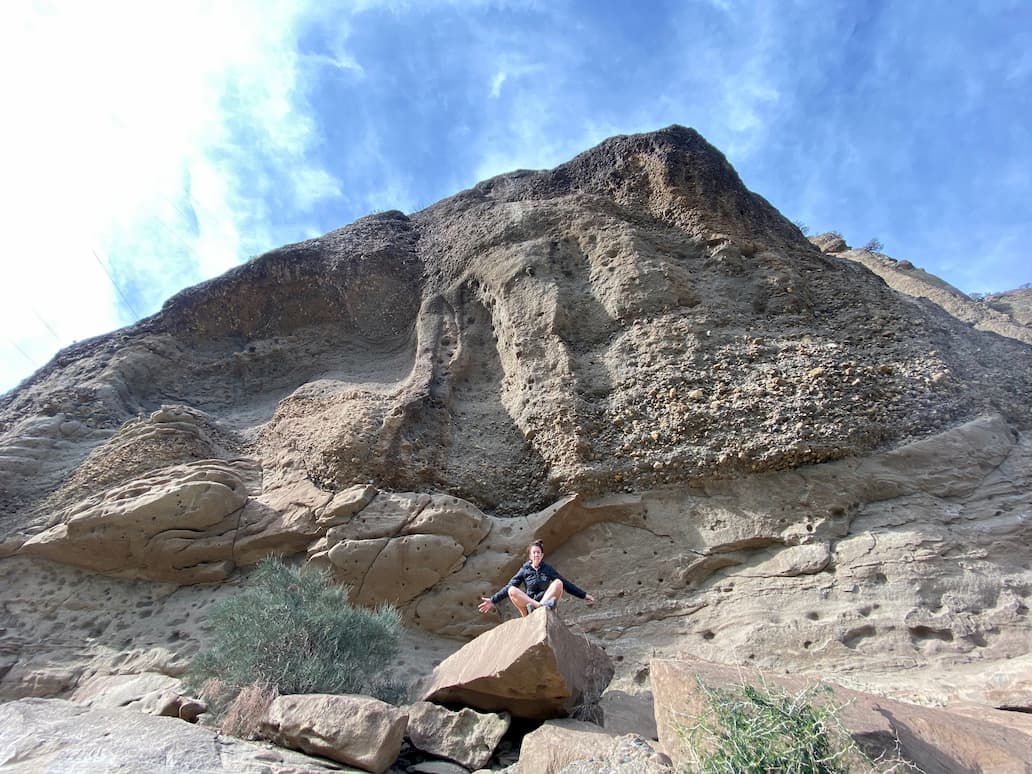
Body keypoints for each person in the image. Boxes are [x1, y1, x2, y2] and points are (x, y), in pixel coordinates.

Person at [478, 539, 596, 618]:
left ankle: (541, 606)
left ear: (542, 555)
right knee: (511, 590)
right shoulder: (524, 570)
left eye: (538, 552)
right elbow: (509, 587)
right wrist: (493, 600)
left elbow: (565, 583)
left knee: (558, 582)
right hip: (529, 606)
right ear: (530, 556)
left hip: (545, 600)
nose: (536, 555)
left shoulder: (547, 569)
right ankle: (539, 607)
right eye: (534, 553)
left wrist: (584, 595)